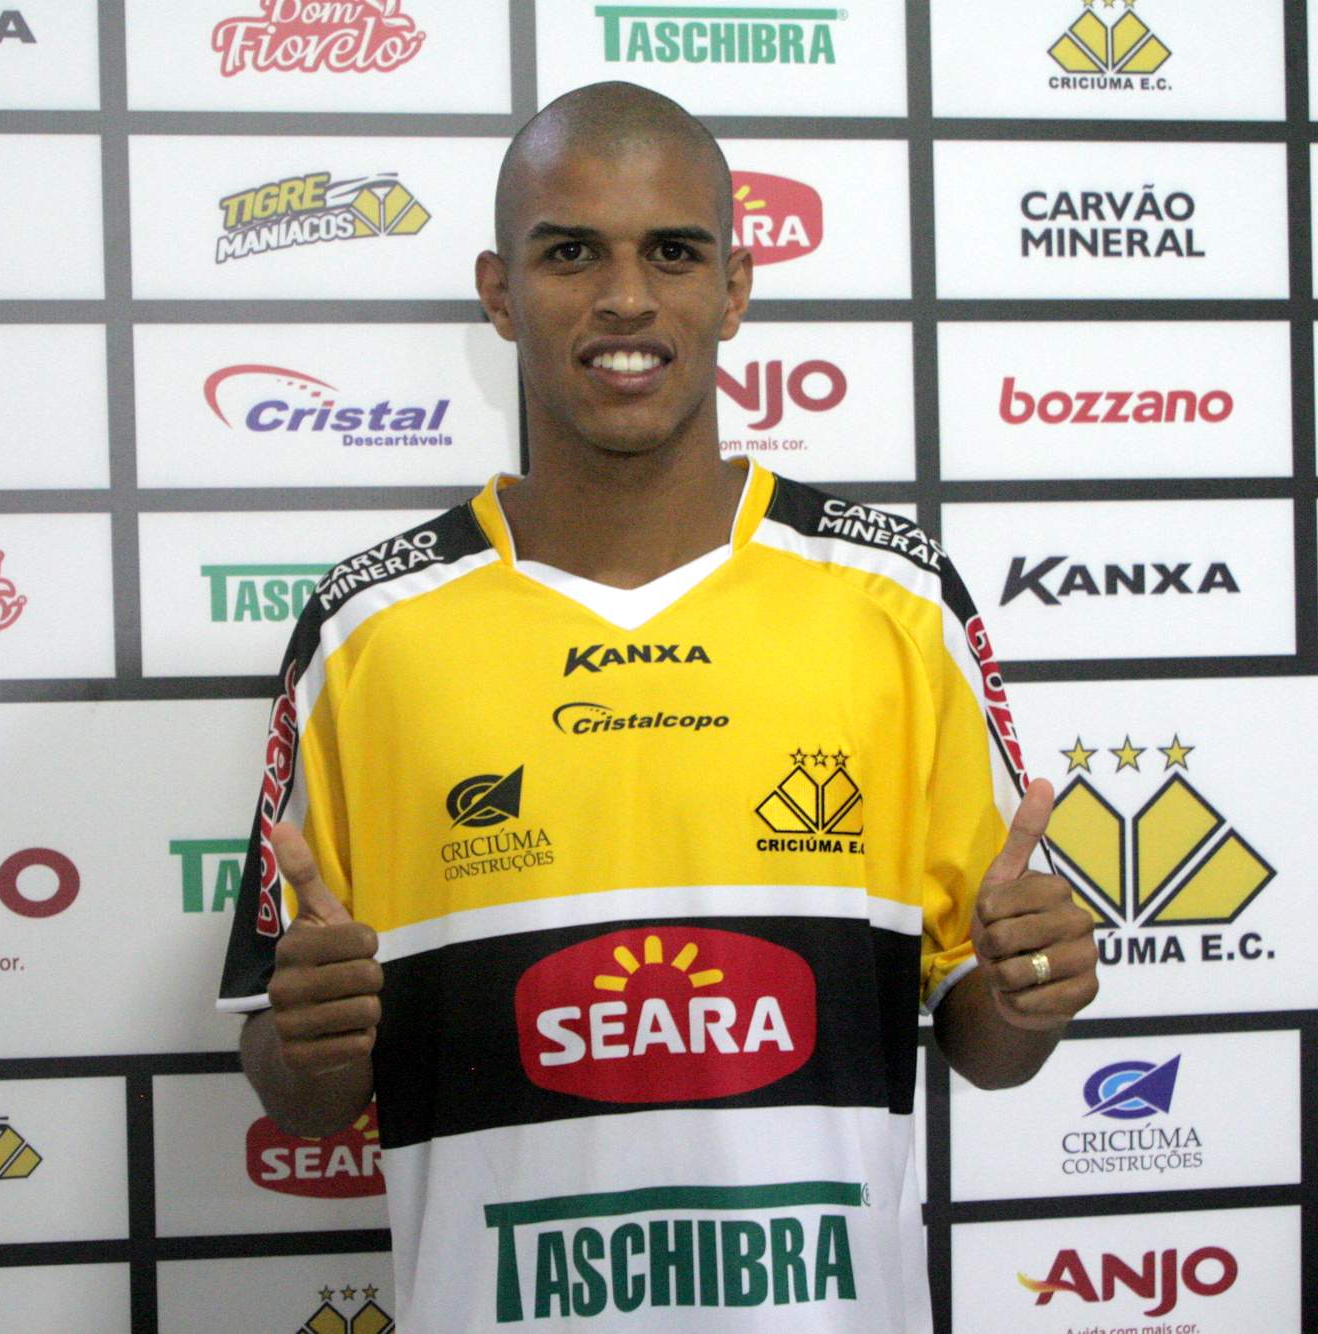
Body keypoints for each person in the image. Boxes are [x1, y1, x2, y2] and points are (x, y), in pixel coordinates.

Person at [218, 80, 1098, 1331]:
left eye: (672, 252)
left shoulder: (895, 601)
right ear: (498, 291)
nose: (625, 297)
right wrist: (308, 1045)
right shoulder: (367, 629)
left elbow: (985, 1043)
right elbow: (293, 1085)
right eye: (570, 252)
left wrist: (1022, 991)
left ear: (733, 288)